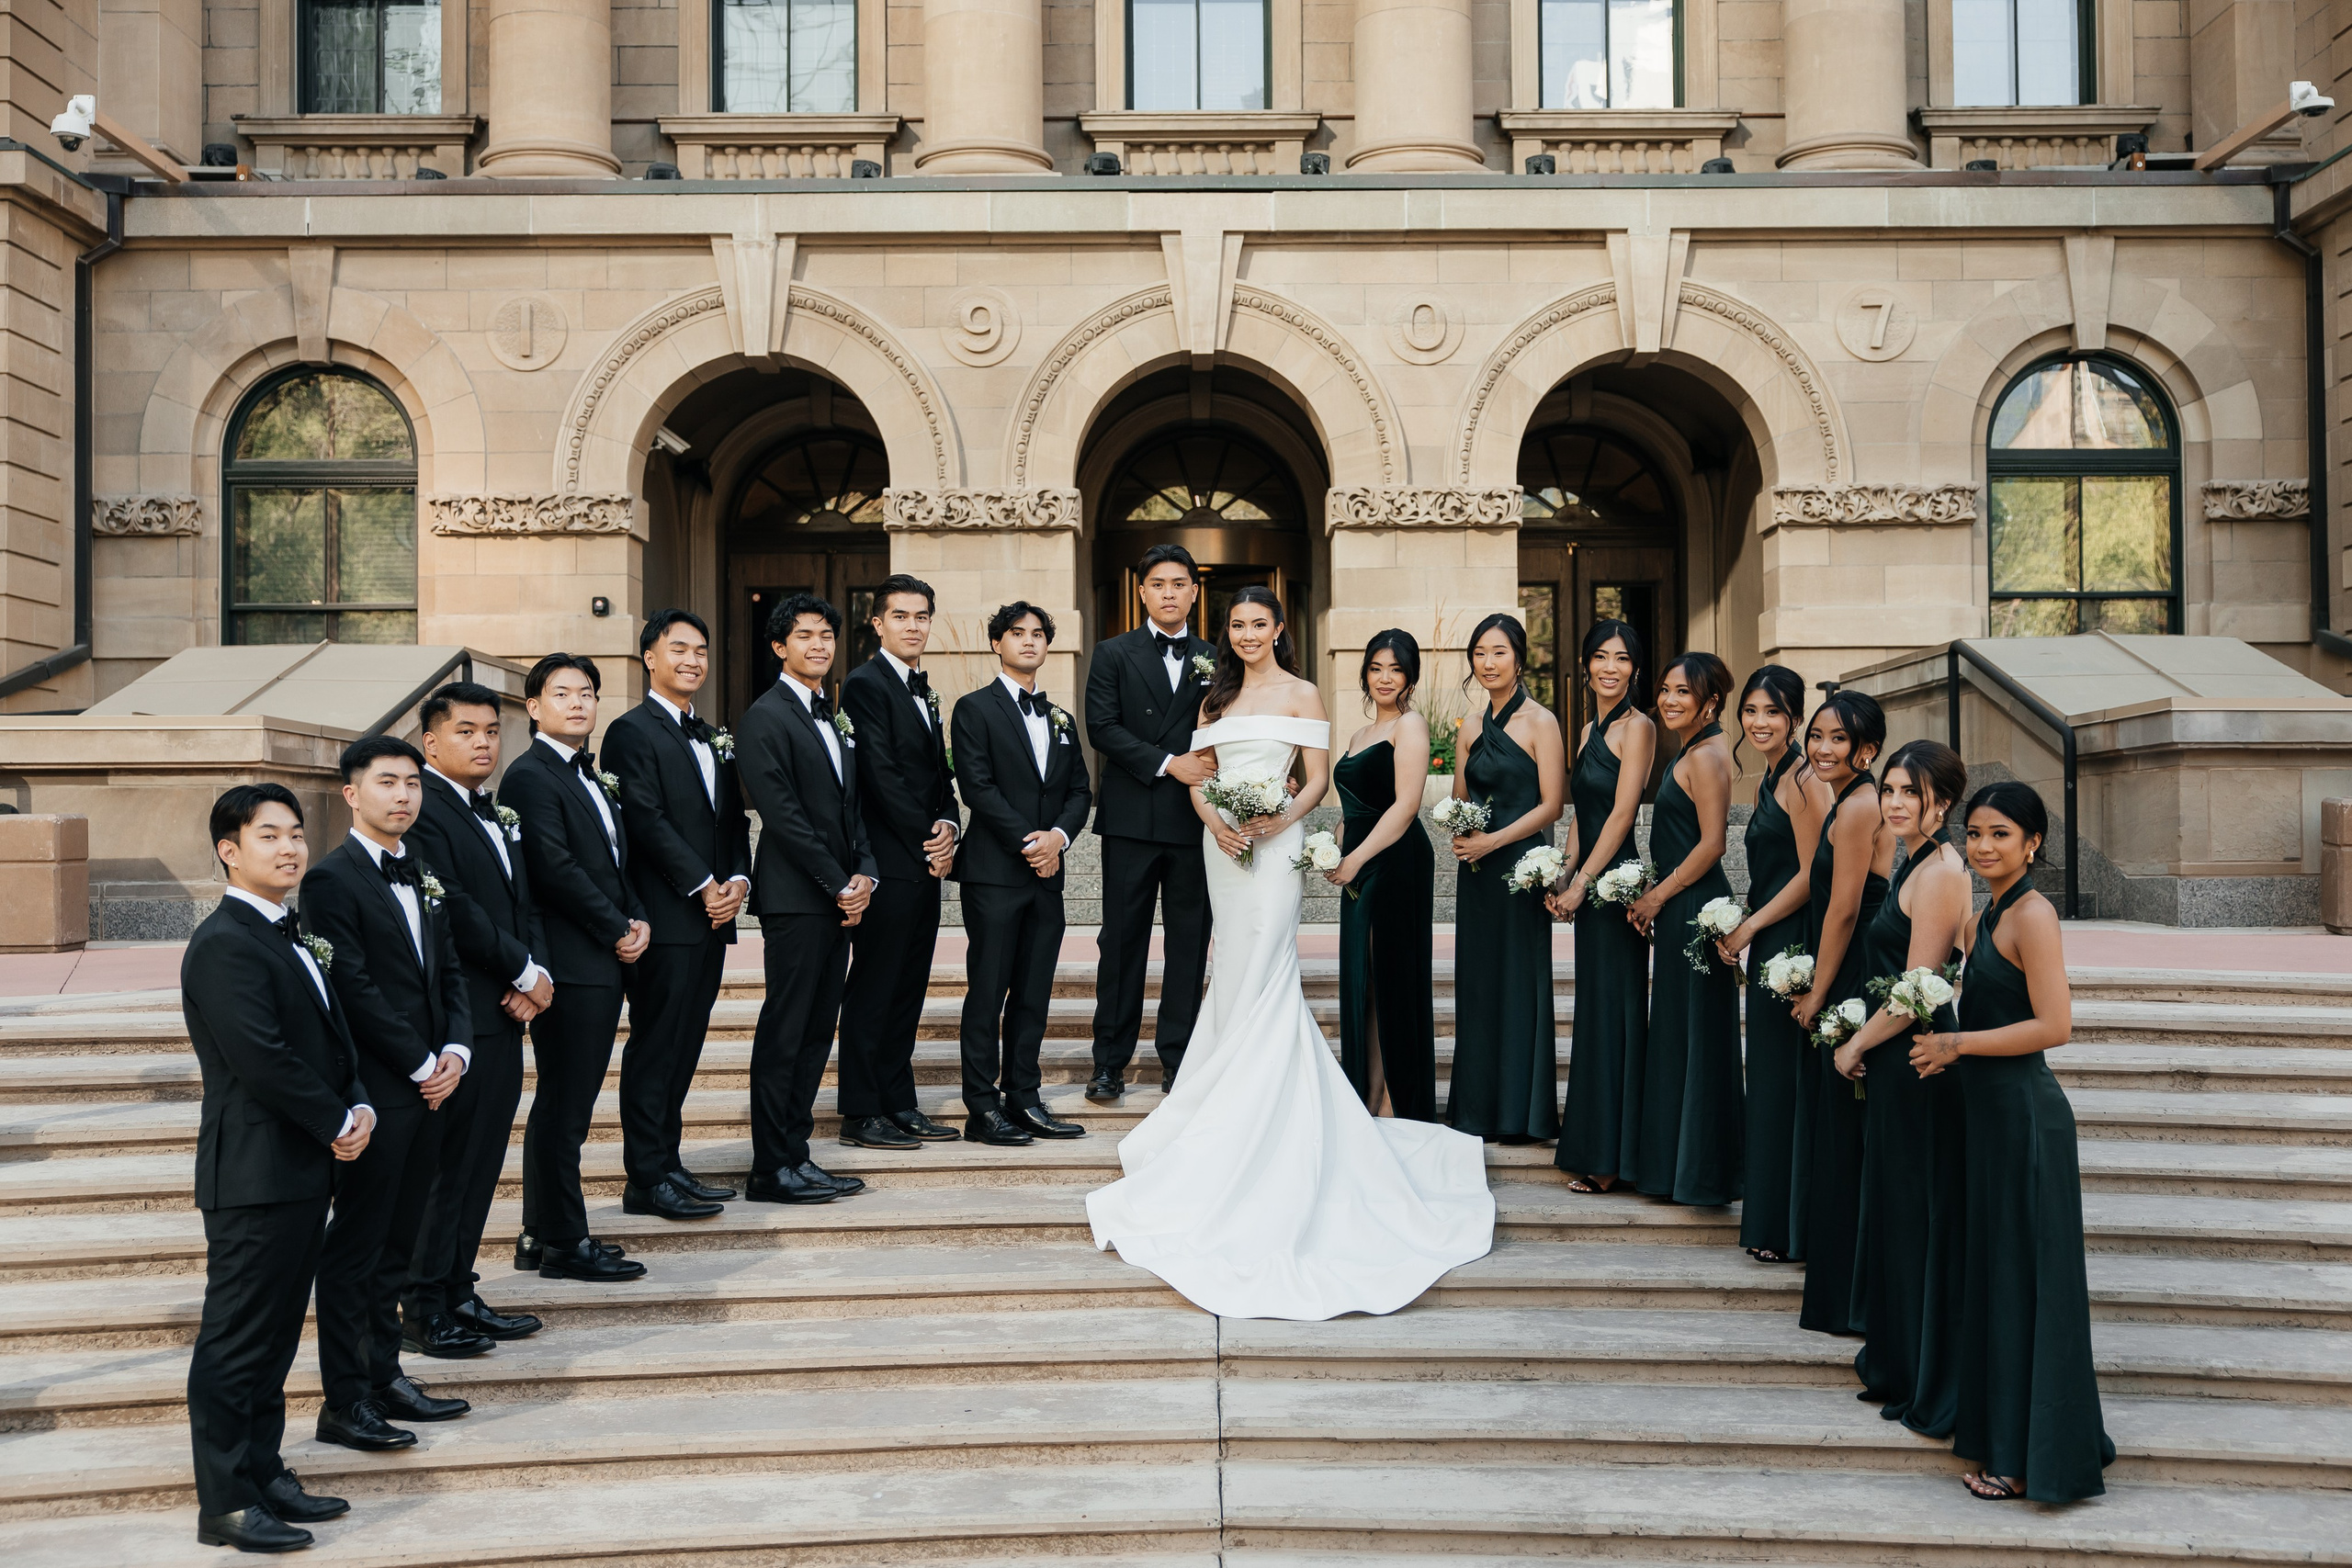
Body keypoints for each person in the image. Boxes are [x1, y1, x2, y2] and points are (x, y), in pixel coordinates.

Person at [1086, 586, 1495, 1319]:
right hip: (1224, 847)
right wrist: (1216, 823)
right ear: (1228, 632)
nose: (1248, 634)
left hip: (1277, 849)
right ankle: (1222, 1100)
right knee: (1231, 967)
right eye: (1237, 625)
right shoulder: (1214, 697)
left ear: (1279, 628)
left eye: (1259, 623)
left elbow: (1316, 779)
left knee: (1269, 963)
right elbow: (1199, 776)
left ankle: (1266, 1109)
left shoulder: (1305, 693)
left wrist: (1280, 818)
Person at [1912, 782, 2116, 1502]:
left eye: (2001, 833)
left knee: (2027, 1282)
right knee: (2001, 1280)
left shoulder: (2033, 915)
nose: (1983, 845)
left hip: (2028, 1121)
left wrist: (1957, 1044)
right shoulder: (1982, 917)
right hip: (1987, 1120)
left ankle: (2032, 1458)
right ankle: (2028, 1438)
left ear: (2033, 843)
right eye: (1975, 832)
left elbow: (2056, 1026)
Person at [184, 784, 371, 1552]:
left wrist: (358, 1101)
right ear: (229, 850)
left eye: (295, 832)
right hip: (253, 1173)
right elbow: (263, 1057)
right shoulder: (224, 942)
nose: (290, 847)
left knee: (274, 1337)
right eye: (269, 835)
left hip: (298, 1169)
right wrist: (337, 1120)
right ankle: (227, 1501)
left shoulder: (290, 930)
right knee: (236, 1340)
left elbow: (330, 1038)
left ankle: (264, 1471)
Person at [301, 735, 479, 1453]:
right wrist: (420, 1063)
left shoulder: (423, 869)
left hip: (434, 1087)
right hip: (377, 1092)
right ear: (352, 793)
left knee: (400, 1242)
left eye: (412, 782)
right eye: (386, 781)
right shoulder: (329, 880)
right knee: (357, 1248)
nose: (403, 794)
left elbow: (450, 971)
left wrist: (458, 1050)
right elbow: (352, 986)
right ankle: (345, 1400)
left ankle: (385, 1375)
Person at [1830, 739, 1970, 1437]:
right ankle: (1894, 1357)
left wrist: (1855, 1042)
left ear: (1942, 802)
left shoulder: (1941, 872)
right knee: (1892, 1208)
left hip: (1916, 1063)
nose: (1894, 802)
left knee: (1912, 1212)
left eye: (1910, 792)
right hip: (1895, 1060)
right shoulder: (1911, 858)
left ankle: (1919, 1370)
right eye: (1888, 789)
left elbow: (1919, 990)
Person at [404, 682, 547, 1353]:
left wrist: (535, 974)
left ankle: (458, 1289)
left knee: (481, 1162)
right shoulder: (424, 809)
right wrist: (522, 971)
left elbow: (523, 902)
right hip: (459, 1017)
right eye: (466, 731)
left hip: (505, 1013)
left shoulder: (491, 807)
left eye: (491, 730)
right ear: (430, 742)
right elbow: (455, 909)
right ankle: (422, 1306)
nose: (484, 742)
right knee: (447, 1169)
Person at [501, 653, 652, 1282]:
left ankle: (541, 1231)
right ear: (534, 707)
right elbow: (555, 869)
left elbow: (614, 863)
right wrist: (617, 927)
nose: (578, 702)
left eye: (587, 692)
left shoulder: (589, 775)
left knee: (567, 1105)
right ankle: (565, 1241)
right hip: (570, 963)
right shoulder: (529, 776)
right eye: (562, 693)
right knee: (566, 1109)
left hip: (599, 958)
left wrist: (638, 916)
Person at [604, 608, 750, 1220]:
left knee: (686, 1045)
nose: (693, 660)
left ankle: (669, 1162)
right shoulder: (628, 732)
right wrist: (702, 884)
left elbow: (733, 820)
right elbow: (645, 818)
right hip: (665, 917)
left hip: (712, 921)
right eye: (680, 649)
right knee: (656, 1045)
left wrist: (738, 879)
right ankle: (645, 1177)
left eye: (701, 651)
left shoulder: (715, 735)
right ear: (650, 658)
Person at [736, 592, 877, 1205]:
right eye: (804, 635)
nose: (819, 645)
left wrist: (866, 871)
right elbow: (784, 817)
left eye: (826, 635)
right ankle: (770, 1166)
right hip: (797, 898)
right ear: (779, 646)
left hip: (839, 896)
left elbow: (851, 807)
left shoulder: (832, 714)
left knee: (818, 1030)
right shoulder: (764, 717)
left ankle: (796, 1153)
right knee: (786, 1031)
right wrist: (838, 882)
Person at [950, 602, 1095, 1145]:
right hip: (994, 873)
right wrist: (1031, 842)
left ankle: (1024, 1098)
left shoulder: (1061, 718)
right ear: (998, 643)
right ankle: (981, 1108)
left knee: (1034, 993)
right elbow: (977, 786)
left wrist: (1058, 837)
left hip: (1047, 875)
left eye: (1038, 634)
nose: (1029, 641)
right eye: (1017, 633)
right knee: (988, 991)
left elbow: (1080, 790)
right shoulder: (973, 708)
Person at [1084, 543, 1219, 1101]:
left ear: (1194, 592)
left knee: (1189, 944)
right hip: (1131, 820)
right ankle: (1108, 1063)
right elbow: (1102, 727)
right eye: (1158, 584)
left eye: (1179, 584)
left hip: (1194, 821)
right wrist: (1168, 762)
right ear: (1141, 591)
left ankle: (1179, 1059)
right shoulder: (1112, 653)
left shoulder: (1216, 656)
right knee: (1121, 943)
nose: (1169, 593)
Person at [837, 574, 964, 1151]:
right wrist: (927, 836)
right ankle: (862, 1110)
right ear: (878, 623)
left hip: (924, 863)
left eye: (922, 616)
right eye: (901, 616)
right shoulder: (864, 684)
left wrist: (949, 825)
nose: (913, 626)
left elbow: (939, 772)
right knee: (875, 985)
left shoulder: (924, 688)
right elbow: (880, 775)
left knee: (908, 987)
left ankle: (899, 1101)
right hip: (887, 862)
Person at [1715, 665, 1826, 1263]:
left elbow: (1812, 875)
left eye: (1773, 712)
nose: (1759, 722)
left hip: (1792, 941)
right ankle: (1772, 1221)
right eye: (1751, 711)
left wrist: (1751, 925)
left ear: (1795, 718)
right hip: (1770, 935)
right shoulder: (1771, 776)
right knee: (1770, 1080)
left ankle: (1791, 1227)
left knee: (1785, 1082)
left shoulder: (1805, 781)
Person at [1792, 689, 1892, 1337]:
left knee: (1847, 1130)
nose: (1823, 748)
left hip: (1854, 972)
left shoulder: (1858, 807)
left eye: (1838, 739)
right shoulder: (1846, 799)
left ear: (1868, 750)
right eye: (1817, 735)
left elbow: (1844, 909)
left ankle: (1852, 1294)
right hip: (1848, 967)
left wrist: (1817, 991)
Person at [1627, 651, 1742, 1206]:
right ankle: (1676, 1168)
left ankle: (1703, 1175)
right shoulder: (1693, 748)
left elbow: (1713, 843)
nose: (1669, 700)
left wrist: (1657, 895)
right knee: (1679, 1032)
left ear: (1711, 702)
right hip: (1681, 904)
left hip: (1696, 906)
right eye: (1666, 689)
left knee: (1697, 1036)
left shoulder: (1708, 755)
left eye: (1683, 692)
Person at [1446, 614, 1566, 1143]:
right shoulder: (1470, 725)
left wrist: (1493, 840)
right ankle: (1477, 1110)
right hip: (1476, 872)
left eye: (1499, 652)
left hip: (1521, 867)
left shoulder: (1542, 721)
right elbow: (1459, 797)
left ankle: (1522, 1114)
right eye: (1479, 653)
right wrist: (1460, 828)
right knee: (1479, 985)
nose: (1488, 663)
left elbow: (1552, 805)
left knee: (1519, 984)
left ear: (1519, 659)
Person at [1551, 620, 1657, 1190]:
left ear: (1635, 669)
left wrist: (1584, 883)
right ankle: (1596, 1146)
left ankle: (1617, 1160)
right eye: (1600, 656)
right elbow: (1582, 816)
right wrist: (1562, 874)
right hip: (1591, 884)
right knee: (1595, 1013)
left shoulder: (1639, 728)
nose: (1609, 667)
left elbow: (1621, 815)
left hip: (1617, 888)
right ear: (1586, 665)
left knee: (1617, 1014)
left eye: (1621, 658)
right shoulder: (1589, 728)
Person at [1327, 629, 1436, 1120]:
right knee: (1365, 981)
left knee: (1392, 979)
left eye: (1396, 669)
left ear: (1409, 677)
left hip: (1395, 862)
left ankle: (1398, 1100)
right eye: (1376, 668)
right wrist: (1334, 842)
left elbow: (1406, 806)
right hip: (1360, 861)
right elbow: (1356, 806)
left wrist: (1356, 859)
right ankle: (1369, 1092)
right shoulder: (1359, 736)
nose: (1385, 678)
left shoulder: (1410, 725)